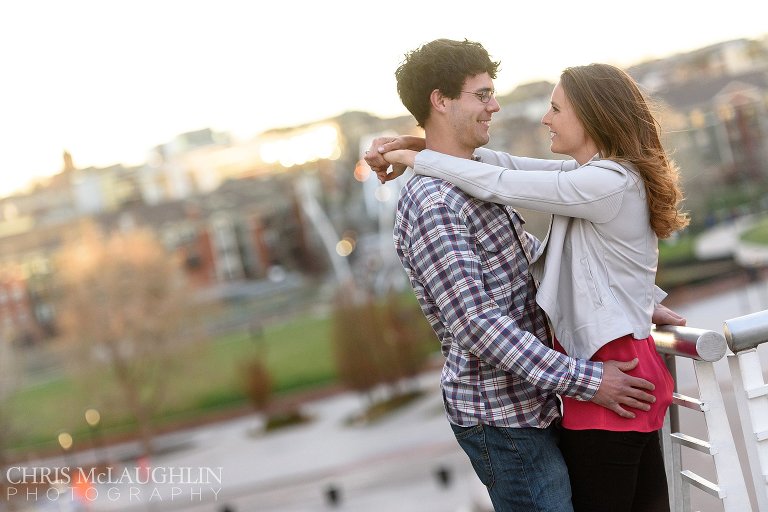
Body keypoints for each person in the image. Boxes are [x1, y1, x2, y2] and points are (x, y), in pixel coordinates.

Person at [363, 38, 682, 512]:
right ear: (440, 100)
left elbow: (529, 252)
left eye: (555, 108)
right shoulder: (437, 202)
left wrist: (631, 297)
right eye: (482, 94)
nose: (496, 106)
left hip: (540, 400)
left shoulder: (586, 180)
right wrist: (589, 379)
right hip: (503, 416)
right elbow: (476, 324)